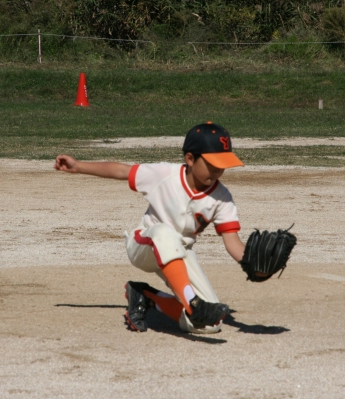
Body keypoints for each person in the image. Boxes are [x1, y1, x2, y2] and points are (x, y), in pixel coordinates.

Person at [54, 122, 247, 334]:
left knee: (211, 324)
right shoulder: (164, 174)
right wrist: (77, 166)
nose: (218, 170)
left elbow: (233, 242)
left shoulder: (222, 197)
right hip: (144, 246)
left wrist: (256, 265)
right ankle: (192, 304)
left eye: (223, 164)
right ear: (190, 159)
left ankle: (146, 297)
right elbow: (122, 170)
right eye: (212, 164)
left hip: (180, 255)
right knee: (165, 233)